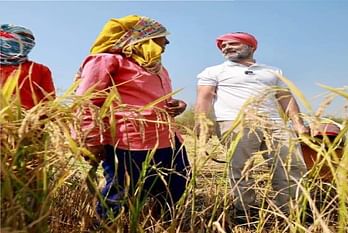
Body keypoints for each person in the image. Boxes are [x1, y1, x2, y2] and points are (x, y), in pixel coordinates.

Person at [73, 15, 191, 226]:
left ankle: (156, 225)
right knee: (120, 192)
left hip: (168, 139)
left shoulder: (158, 68)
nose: (167, 43)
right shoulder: (106, 61)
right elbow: (87, 102)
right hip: (128, 142)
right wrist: (90, 140)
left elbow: (159, 99)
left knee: (177, 182)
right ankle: (104, 227)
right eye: (162, 37)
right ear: (143, 38)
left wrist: (178, 105)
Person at [195, 32, 308, 223]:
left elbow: (285, 97)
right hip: (235, 122)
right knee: (240, 168)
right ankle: (245, 212)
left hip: (273, 122)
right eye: (223, 46)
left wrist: (298, 123)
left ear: (251, 46)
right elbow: (205, 97)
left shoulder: (272, 71)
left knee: (291, 165)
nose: (226, 48)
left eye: (233, 44)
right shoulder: (213, 71)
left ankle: (291, 212)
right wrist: (202, 122)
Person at [0, 24, 55, 109]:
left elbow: (48, 103)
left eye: (30, 41)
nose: (26, 45)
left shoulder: (40, 69)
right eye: (21, 38)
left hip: (27, 120)